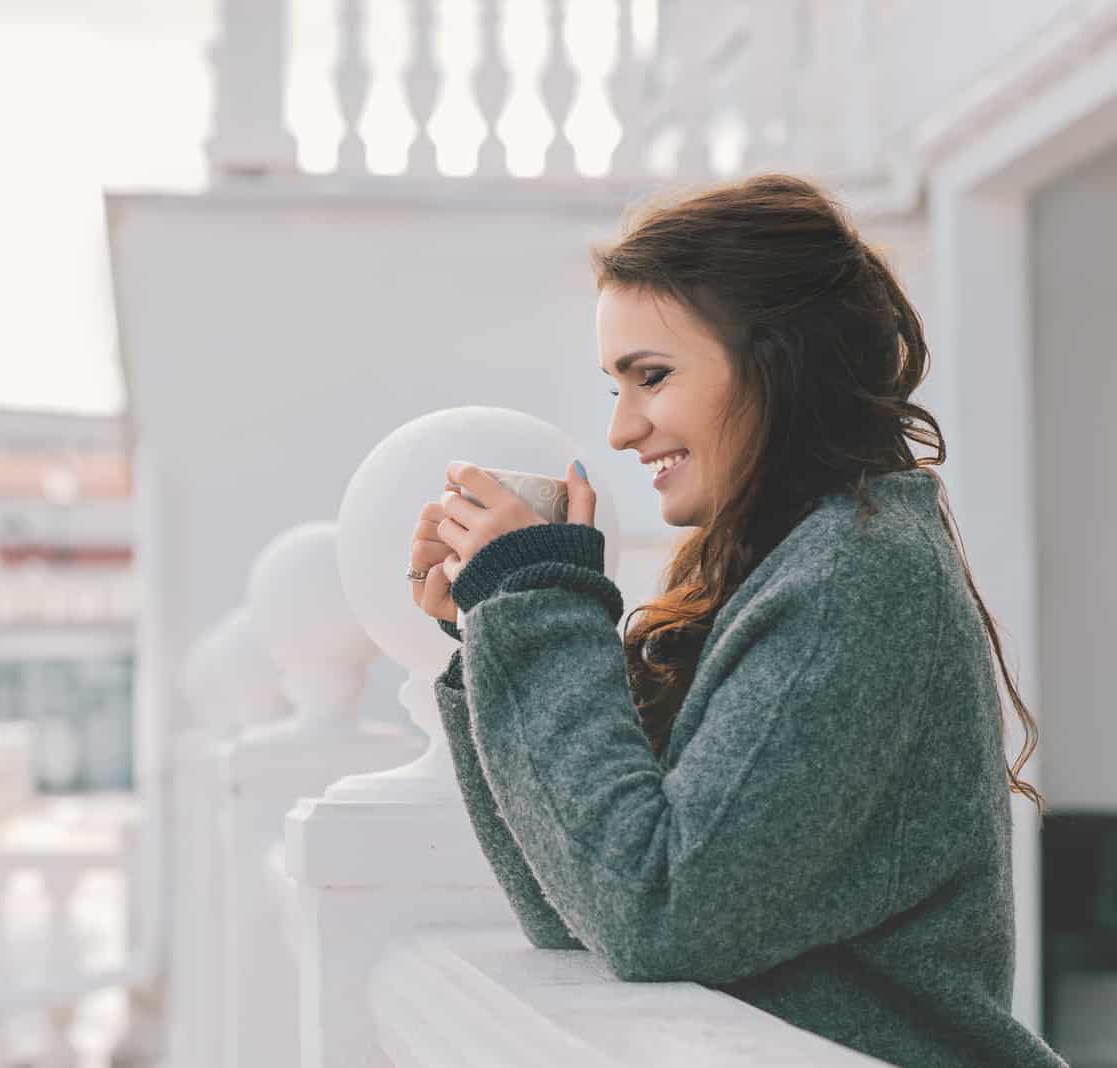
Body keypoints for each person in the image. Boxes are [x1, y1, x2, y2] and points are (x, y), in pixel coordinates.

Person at [406, 173, 1068, 1068]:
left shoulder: (851, 575)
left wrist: (534, 604)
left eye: (653, 376)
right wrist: (491, 628)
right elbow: (575, 901)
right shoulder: (785, 567)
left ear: (776, 365)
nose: (623, 431)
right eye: (615, 386)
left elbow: (658, 914)